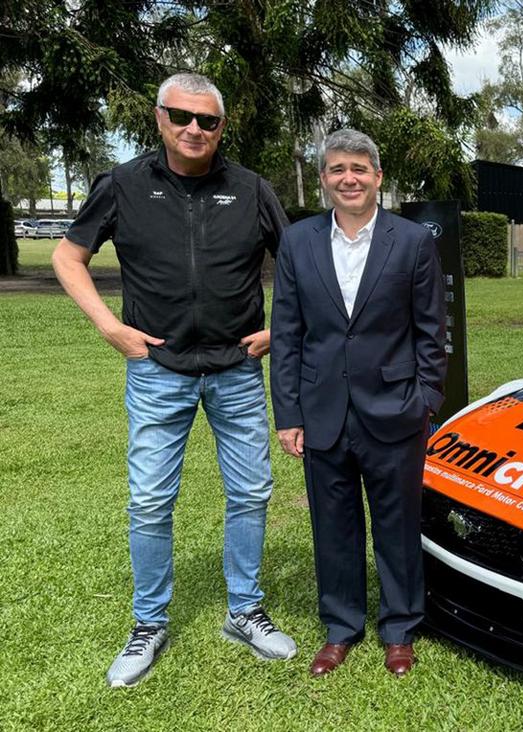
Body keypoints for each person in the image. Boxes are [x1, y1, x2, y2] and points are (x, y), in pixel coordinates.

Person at [52, 73, 297, 688]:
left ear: (221, 126)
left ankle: (245, 611)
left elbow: (302, 264)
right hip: (158, 371)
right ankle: (148, 623)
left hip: (237, 370)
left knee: (251, 494)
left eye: (207, 121)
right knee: (150, 500)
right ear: (160, 118)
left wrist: (282, 329)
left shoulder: (251, 189)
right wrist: (111, 327)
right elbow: (66, 256)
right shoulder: (124, 185)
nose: (194, 129)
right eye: (181, 117)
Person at [270, 129, 446, 678]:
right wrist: (289, 414)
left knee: (396, 524)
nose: (348, 178)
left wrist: (425, 400)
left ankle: (399, 627)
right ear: (323, 179)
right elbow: (287, 333)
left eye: (359, 169)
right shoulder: (297, 242)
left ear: (377, 177)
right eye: (337, 169)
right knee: (333, 526)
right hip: (322, 412)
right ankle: (341, 627)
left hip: (395, 409)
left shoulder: (413, 242)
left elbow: (431, 332)